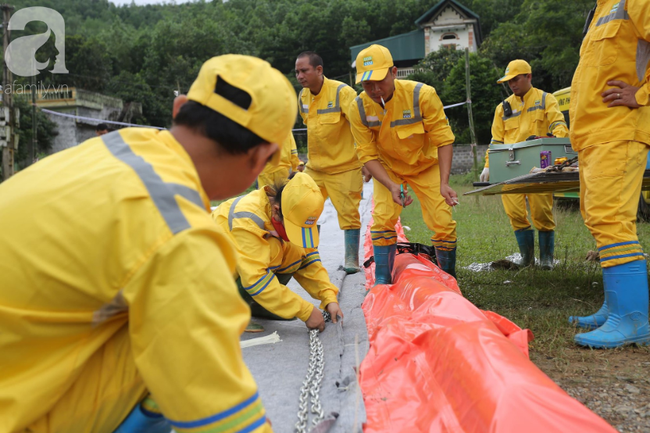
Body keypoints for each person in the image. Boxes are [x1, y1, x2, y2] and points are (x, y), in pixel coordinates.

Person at [0, 55, 297, 433]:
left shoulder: (114, 149)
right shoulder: (180, 234)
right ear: (261, 157)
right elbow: (224, 415)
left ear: (179, 109)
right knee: (180, 345)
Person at [567, 0, 650, 349]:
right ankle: (616, 307)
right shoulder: (603, 8)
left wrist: (642, 94)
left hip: (619, 129)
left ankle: (632, 320)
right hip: (594, 135)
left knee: (610, 217)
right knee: (598, 216)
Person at [348, 44, 458, 282]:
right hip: (388, 168)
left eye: (380, 80)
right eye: (368, 85)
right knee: (383, 219)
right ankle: (383, 281)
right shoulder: (357, 107)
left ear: (394, 72)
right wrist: (389, 184)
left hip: (425, 166)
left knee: (442, 221)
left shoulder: (422, 95)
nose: (376, 89)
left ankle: (449, 278)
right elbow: (366, 154)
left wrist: (445, 182)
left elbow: (443, 139)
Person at [212, 172, 343, 332]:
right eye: (293, 228)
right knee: (271, 252)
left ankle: (260, 306)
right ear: (276, 211)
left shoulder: (294, 211)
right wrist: (305, 311)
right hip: (212, 275)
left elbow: (308, 260)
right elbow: (255, 278)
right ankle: (230, 311)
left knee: (294, 250)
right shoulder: (247, 219)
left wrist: (328, 297)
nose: (295, 233)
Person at [480, 59, 568, 269]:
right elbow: (496, 140)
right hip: (510, 167)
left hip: (539, 166)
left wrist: (559, 151)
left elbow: (559, 125)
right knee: (515, 213)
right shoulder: (502, 108)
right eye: (509, 81)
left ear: (529, 76)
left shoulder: (546, 99)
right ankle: (527, 259)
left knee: (541, 212)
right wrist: (488, 164)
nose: (512, 84)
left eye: (516, 79)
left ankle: (546, 259)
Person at [295, 51, 363, 274]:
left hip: (344, 166)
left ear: (319, 70)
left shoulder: (343, 93)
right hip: (315, 168)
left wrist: (367, 160)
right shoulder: (302, 97)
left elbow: (361, 127)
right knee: (305, 210)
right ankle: (307, 256)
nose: (300, 76)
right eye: (297, 71)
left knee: (348, 214)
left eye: (304, 70)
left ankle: (351, 258)